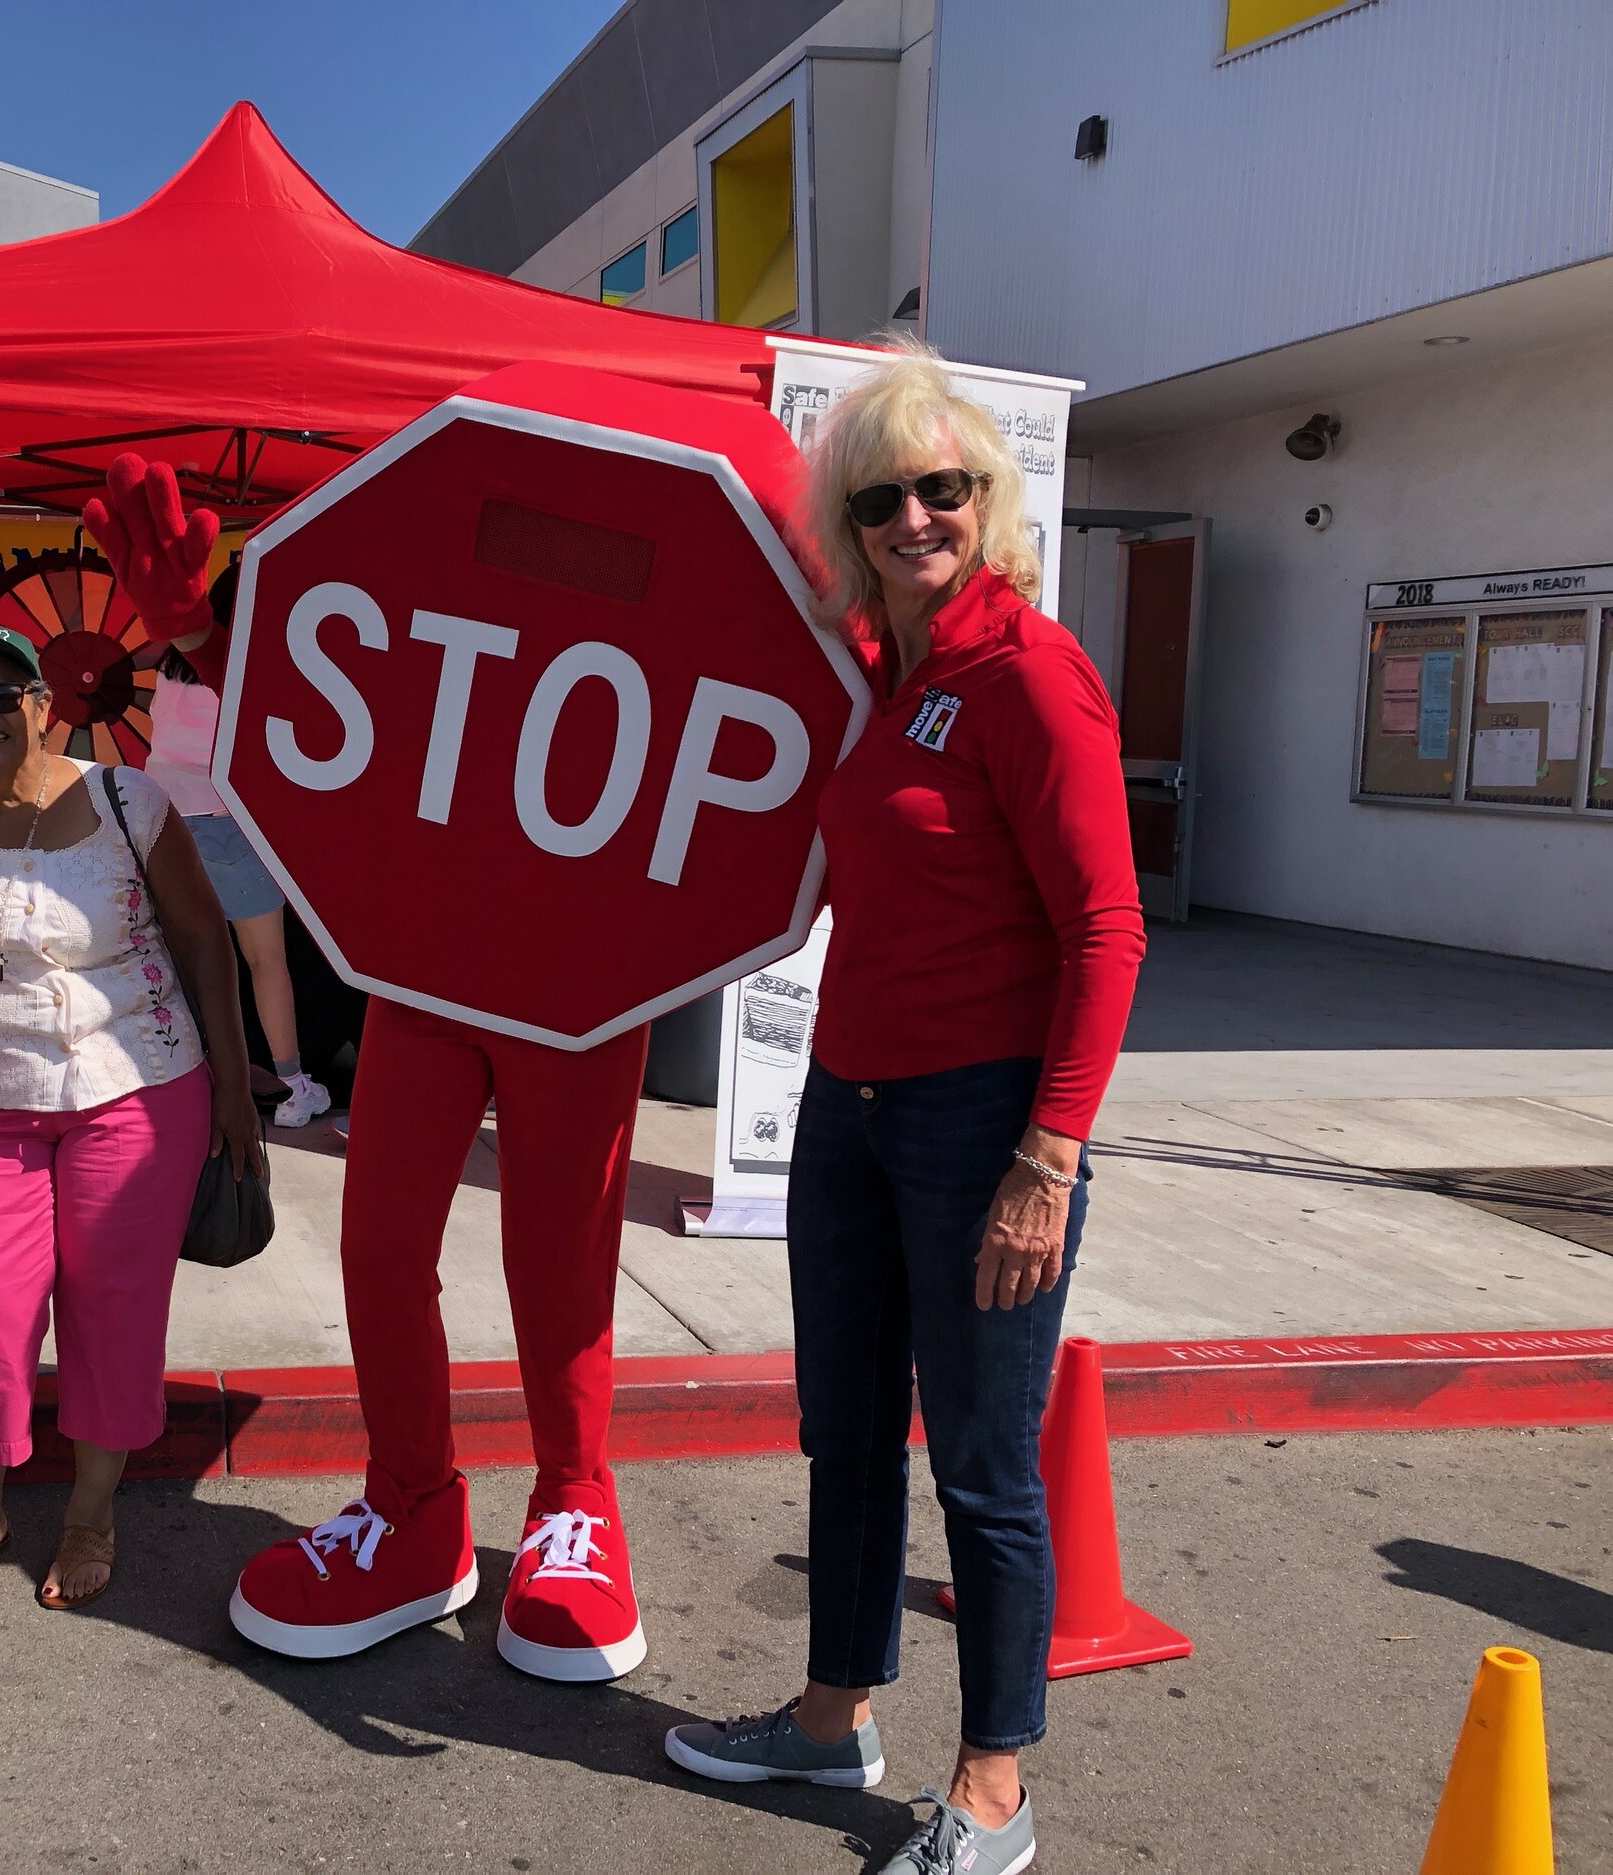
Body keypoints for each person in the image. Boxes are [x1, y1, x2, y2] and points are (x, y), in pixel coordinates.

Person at [661, 341, 1144, 1875]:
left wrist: (1047, 1155)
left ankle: (994, 1783)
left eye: (944, 487)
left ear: (987, 497)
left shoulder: (1029, 673)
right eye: (883, 497)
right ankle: (829, 1714)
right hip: (851, 1112)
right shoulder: (895, 673)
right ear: (856, 520)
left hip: (981, 1121)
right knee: (847, 1432)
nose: (916, 516)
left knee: (987, 1463)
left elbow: (1107, 929)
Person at [83, 455, 656, 1684]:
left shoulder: (629, 573)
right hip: (429, 968)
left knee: (559, 1259)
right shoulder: (436, 548)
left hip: (585, 982)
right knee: (380, 1248)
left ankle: (574, 1502)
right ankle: (411, 1506)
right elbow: (347, 710)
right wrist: (202, 636)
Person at [0, 620, 259, 1612]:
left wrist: (234, 1087)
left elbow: (202, 944)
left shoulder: (128, 801)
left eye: (3, 695)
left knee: (112, 1308)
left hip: (139, 1091)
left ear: (46, 706)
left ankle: (92, 1512)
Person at [140, 566, 332, 1129]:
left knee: (176, 962)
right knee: (266, 962)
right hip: (227, 824)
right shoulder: (244, 668)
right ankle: (294, 1085)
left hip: (163, 826)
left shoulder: (172, 666)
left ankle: (170, 1078)